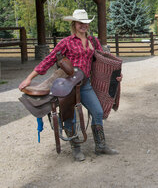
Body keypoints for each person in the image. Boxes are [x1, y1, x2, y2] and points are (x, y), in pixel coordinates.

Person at [19, 9, 121, 161]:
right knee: (70, 117)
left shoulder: (93, 41)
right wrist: (29, 78)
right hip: (68, 84)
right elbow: (49, 59)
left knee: (97, 111)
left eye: (86, 23)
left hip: (85, 84)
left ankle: (100, 145)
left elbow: (102, 61)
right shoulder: (66, 42)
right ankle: (76, 148)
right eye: (80, 23)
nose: (84, 26)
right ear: (74, 24)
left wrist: (115, 75)